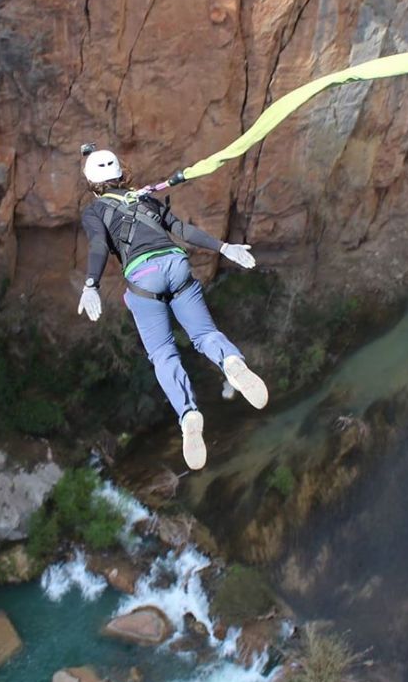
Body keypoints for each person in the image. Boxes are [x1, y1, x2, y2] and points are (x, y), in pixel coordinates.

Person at [76, 147, 268, 470]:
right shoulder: (145, 199)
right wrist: (224, 247)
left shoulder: (95, 212)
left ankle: (189, 414)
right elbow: (181, 230)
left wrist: (91, 284)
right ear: (122, 173)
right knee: (206, 334)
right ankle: (231, 361)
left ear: (93, 185)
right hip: (176, 264)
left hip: (143, 278)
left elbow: (98, 245)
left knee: (163, 354)